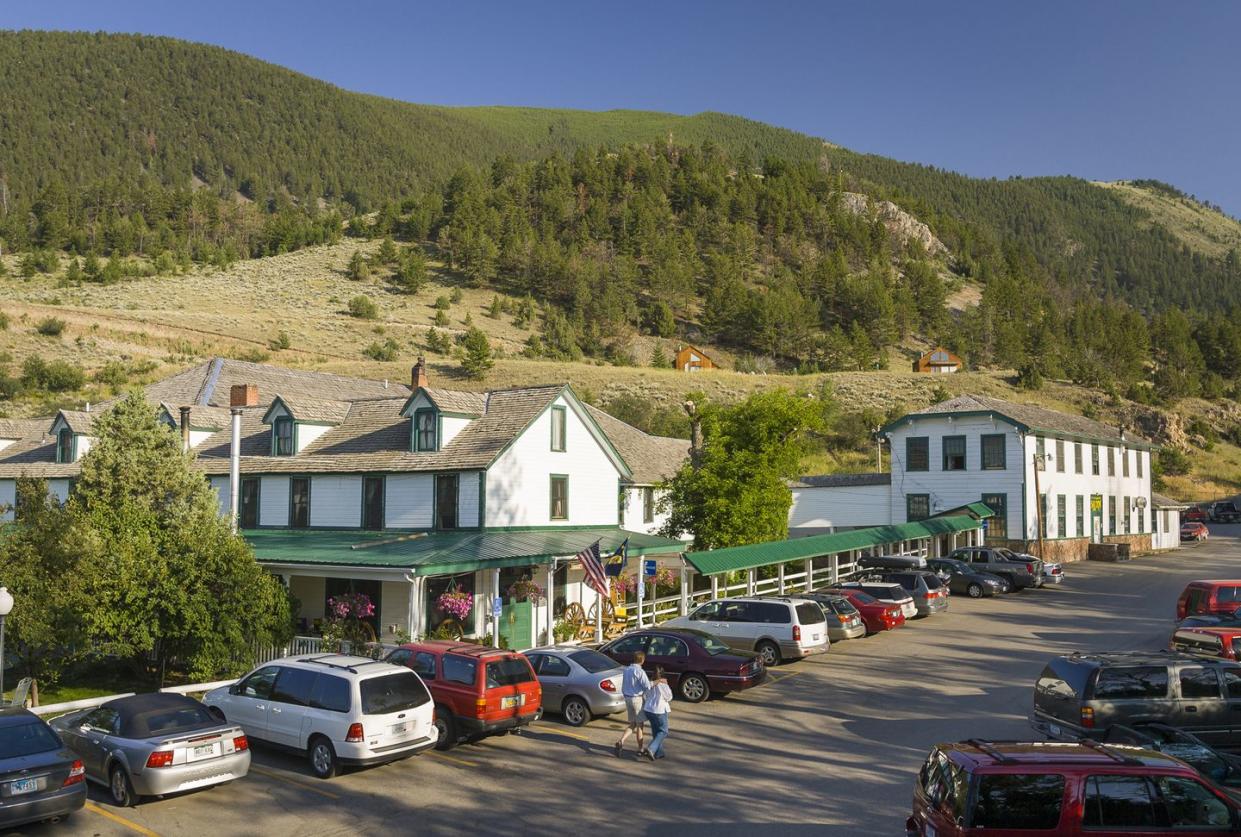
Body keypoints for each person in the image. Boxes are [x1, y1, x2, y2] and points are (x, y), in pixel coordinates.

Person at [614, 651, 649, 757]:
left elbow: (624, 685)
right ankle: (640, 748)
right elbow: (647, 686)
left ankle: (621, 741)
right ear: (642, 660)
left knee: (633, 723)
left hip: (628, 698)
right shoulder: (640, 671)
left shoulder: (627, 670)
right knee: (640, 725)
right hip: (637, 699)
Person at [642, 666, 672, 761]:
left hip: (648, 709)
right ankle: (651, 748)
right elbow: (669, 697)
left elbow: (644, 695)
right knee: (663, 731)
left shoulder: (650, 684)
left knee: (656, 731)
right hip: (659, 710)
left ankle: (658, 753)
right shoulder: (663, 685)